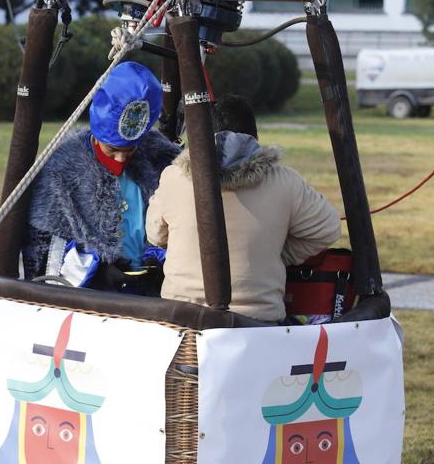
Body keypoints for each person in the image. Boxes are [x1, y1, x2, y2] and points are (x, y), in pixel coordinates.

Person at [145, 94, 342, 322]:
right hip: (257, 324)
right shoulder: (286, 182)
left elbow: (155, 235)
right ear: (256, 138)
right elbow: (328, 230)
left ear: (202, 136)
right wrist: (274, 254)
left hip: (180, 319)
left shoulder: (173, 177)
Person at [23, 61, 179, 292]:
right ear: (97, 135)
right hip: (89, 297)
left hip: (149, 293)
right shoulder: (62, 170)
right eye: (111, 150)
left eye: (129, 151)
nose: (119, 159)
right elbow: (47, 249)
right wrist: (97, 269)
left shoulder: (158, 158)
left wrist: (159, 258)